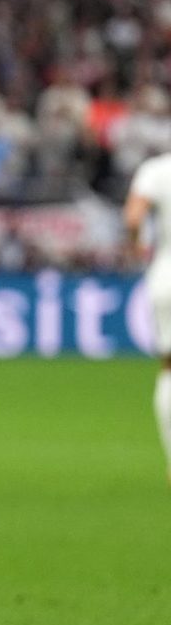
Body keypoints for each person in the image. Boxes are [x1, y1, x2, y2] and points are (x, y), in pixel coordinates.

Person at [124, 152, 171, 478]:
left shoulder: (156, 169)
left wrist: (136, 246)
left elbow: (133, 218)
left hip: (166, 277)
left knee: (168, 367)